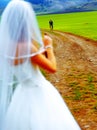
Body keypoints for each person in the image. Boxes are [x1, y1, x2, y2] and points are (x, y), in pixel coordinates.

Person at [0, 0, 81, 130]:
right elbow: (52, 68)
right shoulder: (27, 47)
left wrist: (40, 51)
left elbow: (27, 60)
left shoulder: (6, 47)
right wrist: (49, 47)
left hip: (21, 94)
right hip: (38, 91)